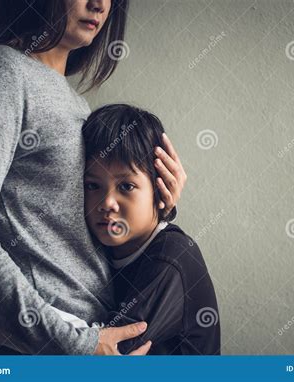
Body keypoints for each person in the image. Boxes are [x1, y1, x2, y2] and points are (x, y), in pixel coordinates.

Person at [0, 0, 187, 355]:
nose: (99, 5)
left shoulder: (77, 104)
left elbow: (49, 237)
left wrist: (155, 210)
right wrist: (71, 345)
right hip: (51, 350)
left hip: (83, 340)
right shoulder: (0, 71)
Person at [80, 104, 220, 354]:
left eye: (126, 187)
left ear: (160, 187)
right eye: (92, 186)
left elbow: (109, 348)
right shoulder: (104, 249)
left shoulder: (171, 257)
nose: (107, 203)